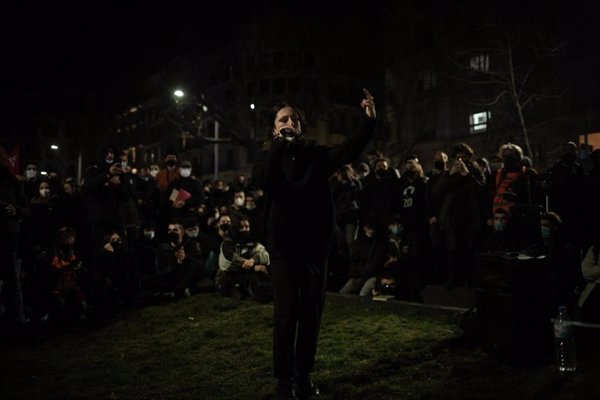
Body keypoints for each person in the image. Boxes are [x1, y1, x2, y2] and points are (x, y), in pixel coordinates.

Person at [252, 88, 376, 400]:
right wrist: (280, 146)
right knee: (286, 313)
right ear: (274, 127)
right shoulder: (268, 158)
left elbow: (347, 150)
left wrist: (369, 121)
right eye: (283, 119)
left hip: (313, 247)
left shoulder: (317, 156)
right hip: (282, 247)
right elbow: (265, 181)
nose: (290, 122)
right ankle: (283, 378)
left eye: (294, 118)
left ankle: (302, 375)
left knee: (311, 312)